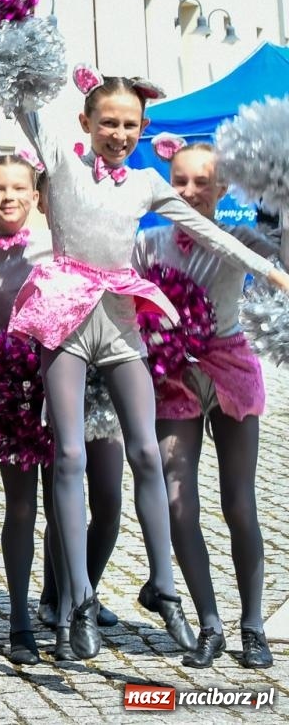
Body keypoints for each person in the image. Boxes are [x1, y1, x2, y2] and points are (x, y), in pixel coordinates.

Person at [11, 67, 289, 659]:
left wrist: (269, 271)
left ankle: (164, 587)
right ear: (86, 124)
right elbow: (24, 106)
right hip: (64, 317)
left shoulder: (143, 183)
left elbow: (217, 238)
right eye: (107, 122)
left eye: (130, 124)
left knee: (146, 454)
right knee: (69, 454)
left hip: (120, 327)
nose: (118, 133)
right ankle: (77, 600)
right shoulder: (61, 160)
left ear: (143, 129)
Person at [134, 136, 283, 669]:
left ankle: (253, 626)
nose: (190, 191)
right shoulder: (149, 244)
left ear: (222, 188)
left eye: (203, 182)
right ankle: (210, 625)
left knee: (239, 504)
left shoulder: (238, 236)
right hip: (171, 376)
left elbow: (282, 262)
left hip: (230, 370)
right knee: (178, 503)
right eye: (180, 181)